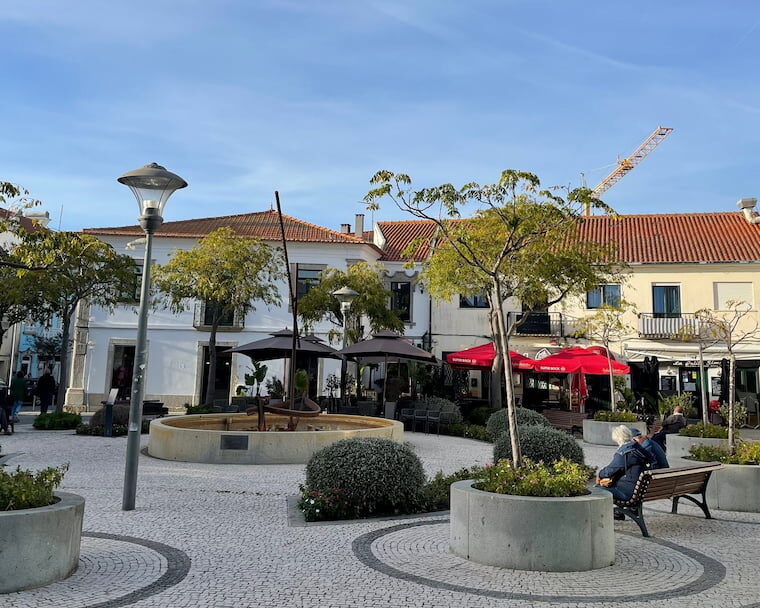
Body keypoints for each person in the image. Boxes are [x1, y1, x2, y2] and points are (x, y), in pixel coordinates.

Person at [596, 425, 655, 519]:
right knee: (618, 480)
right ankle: (621, 512)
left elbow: (609, 471)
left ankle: (600, 517)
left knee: (596, 488)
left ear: (617, 439)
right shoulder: (639, 449)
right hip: (640, 491)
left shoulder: (625, 452)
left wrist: (599, 475)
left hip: (628, 493)